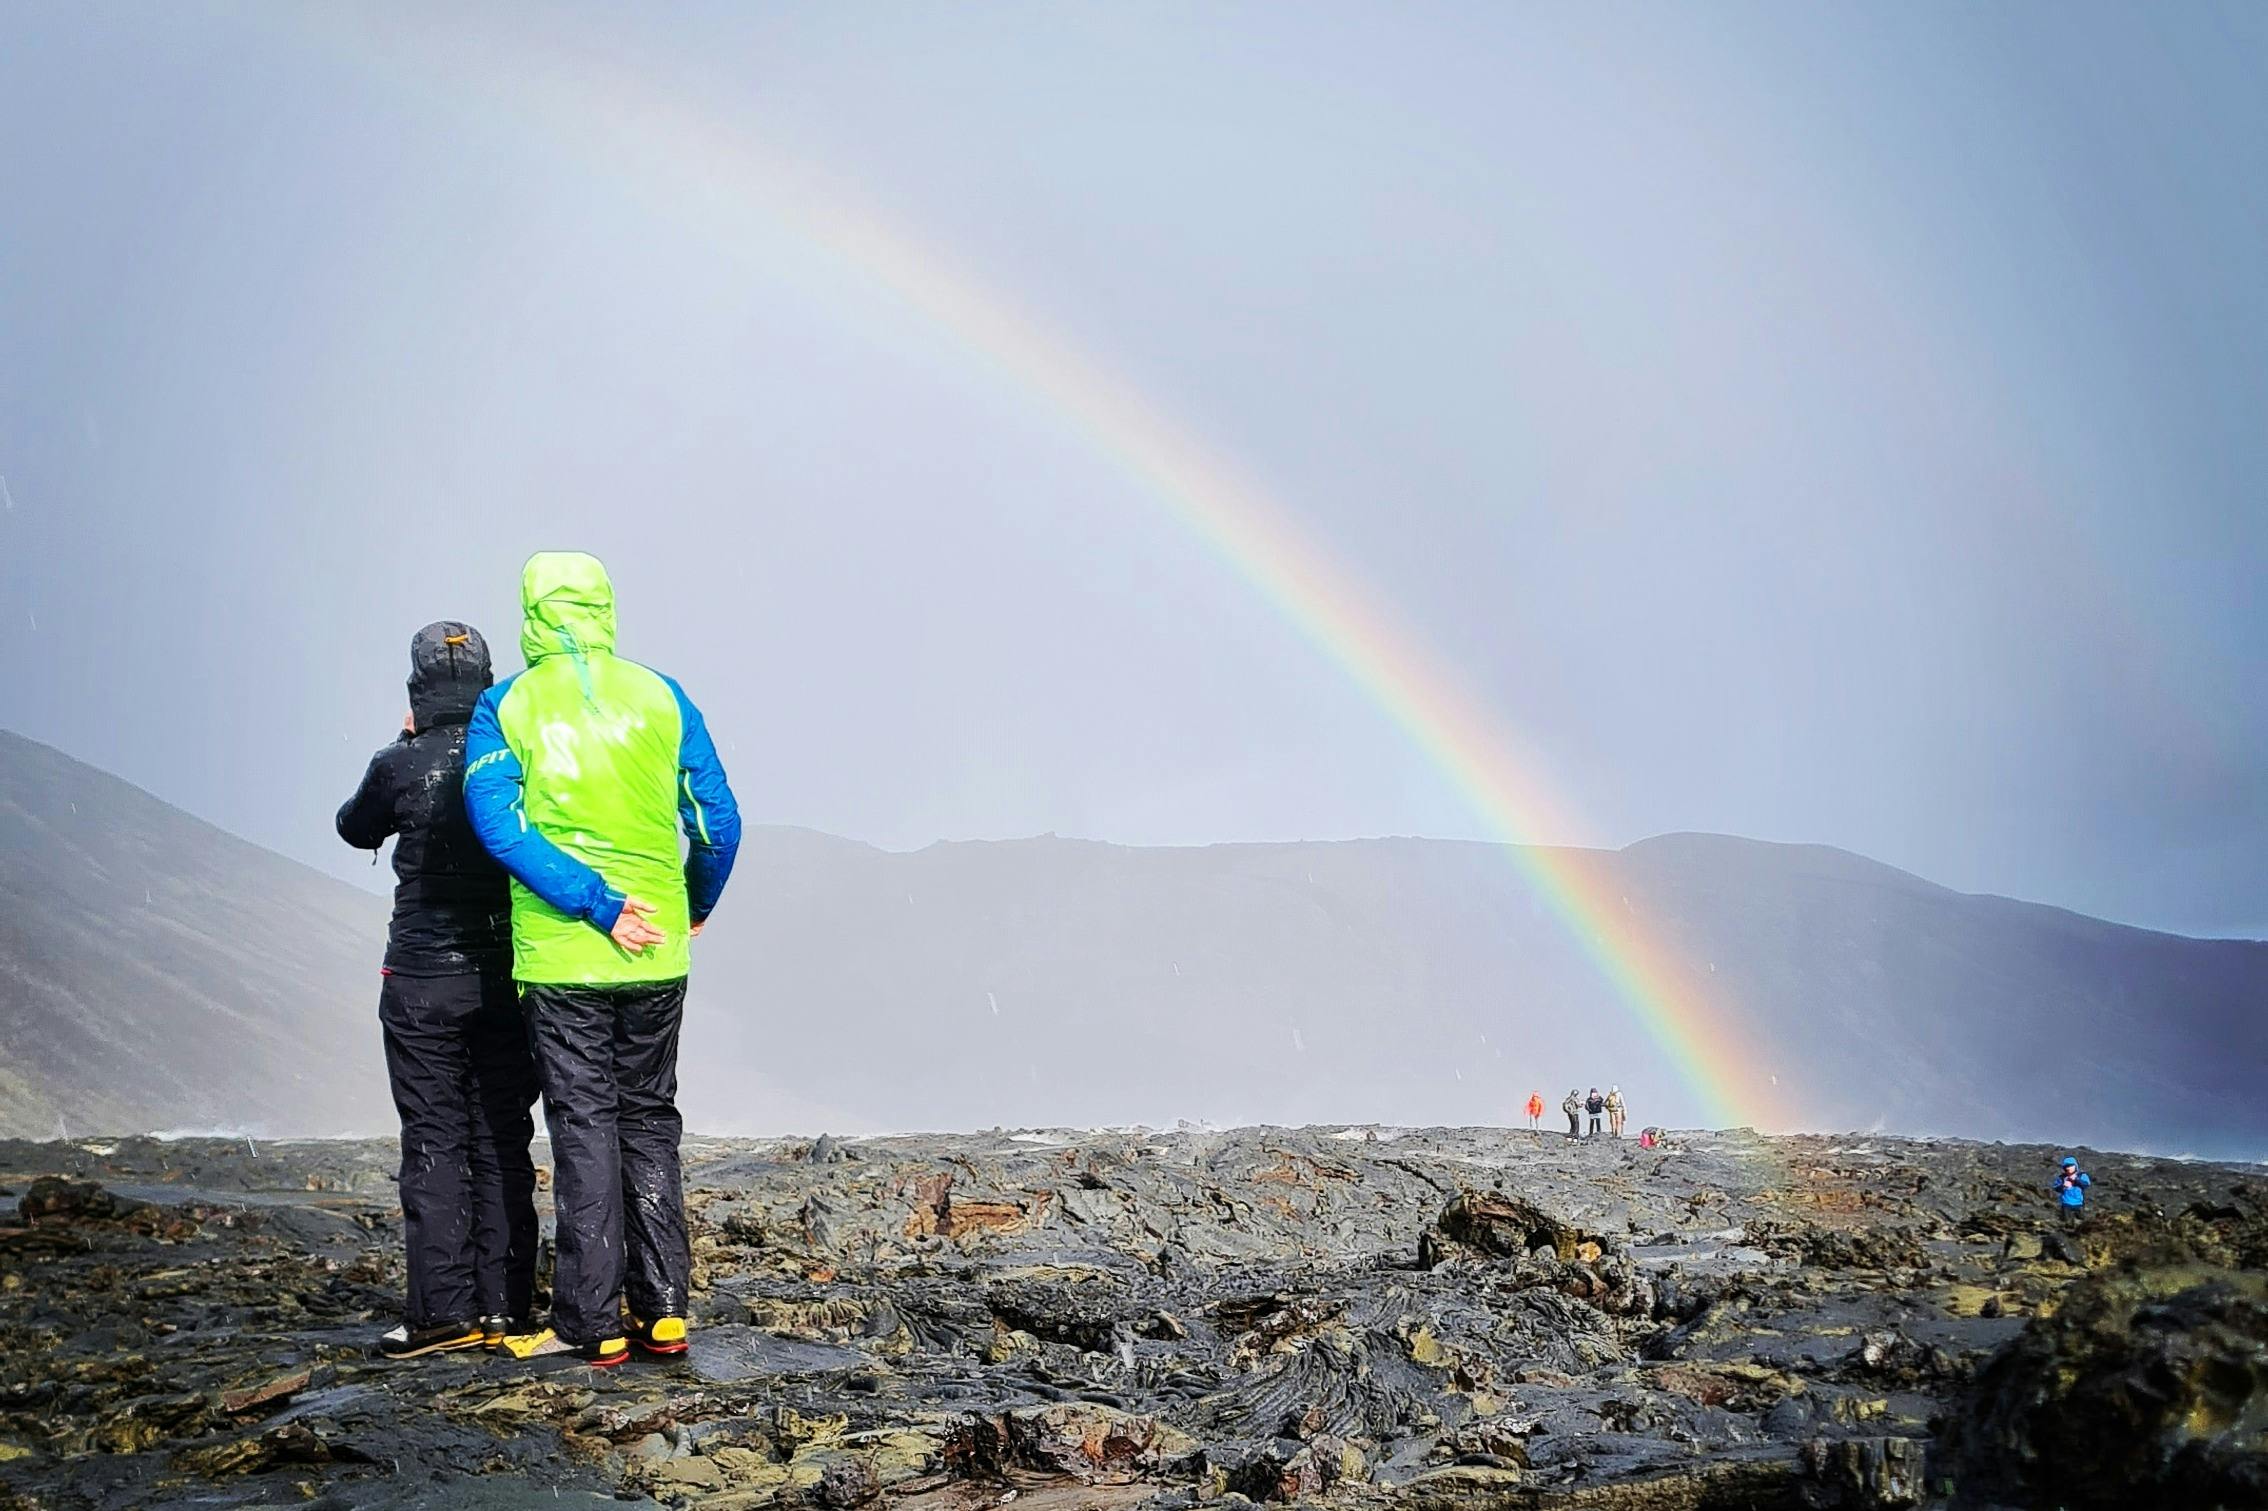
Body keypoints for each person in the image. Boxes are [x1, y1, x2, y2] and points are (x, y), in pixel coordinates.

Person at [466, 552, 741, 1368]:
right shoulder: (661, 693)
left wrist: (594, 903)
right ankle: (663, 1310)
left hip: (563, 960)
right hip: (657, 954)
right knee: (650, 1119)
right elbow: (719, 820)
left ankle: (593, 1320)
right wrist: (693, 902)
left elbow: (501, 827)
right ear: (603, 606)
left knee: (584, 1125)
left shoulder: (505, 704)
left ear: (530, 610)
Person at [337, 622, 537, 1360]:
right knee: (501, 1136)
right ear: (487, 684)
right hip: (502, 976)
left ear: (417, 690)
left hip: (419, 978)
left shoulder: (398, 762)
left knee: (434, 1139)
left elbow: (354, 828)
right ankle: (507, 1307)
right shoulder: (510, 759)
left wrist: (404, 740)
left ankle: (442, 1312)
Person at [2053, 1156, 2092, 1224]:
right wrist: (2063, 1185)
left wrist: (2076, 1180)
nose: (2068, 1168)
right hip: (2066, 1204)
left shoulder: (2081, 1175)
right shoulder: (2062, 1177)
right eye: (2066, 1167)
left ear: (2075, 1166)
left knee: (2082, 1221)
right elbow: (2056, 1188)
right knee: (2067, 1222)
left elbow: (2086, 1184)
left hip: (2079, 1203)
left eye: (2070, 1166)